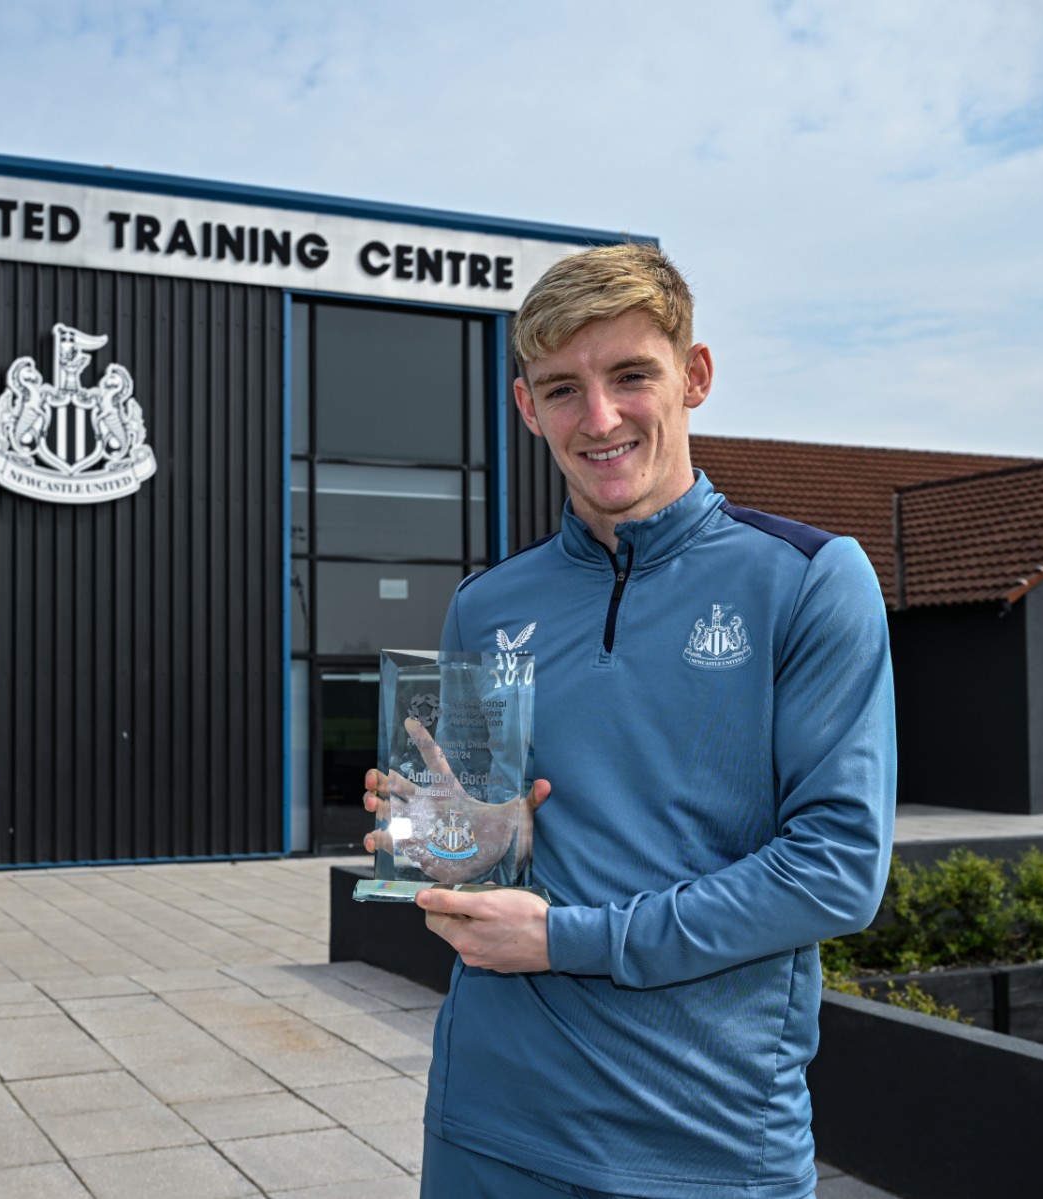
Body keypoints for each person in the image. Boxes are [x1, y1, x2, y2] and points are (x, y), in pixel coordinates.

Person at [365, 243, 895, 1199]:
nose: (600, 418)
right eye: (563, 389)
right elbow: (484, 860)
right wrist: (449, 846)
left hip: (707, 1145)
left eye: (631, 375)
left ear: (695, 376)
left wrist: (568, 938)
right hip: (488, 1126)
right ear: (527, 407)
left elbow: (836, 871)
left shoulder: (810, 581)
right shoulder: (487, 604)